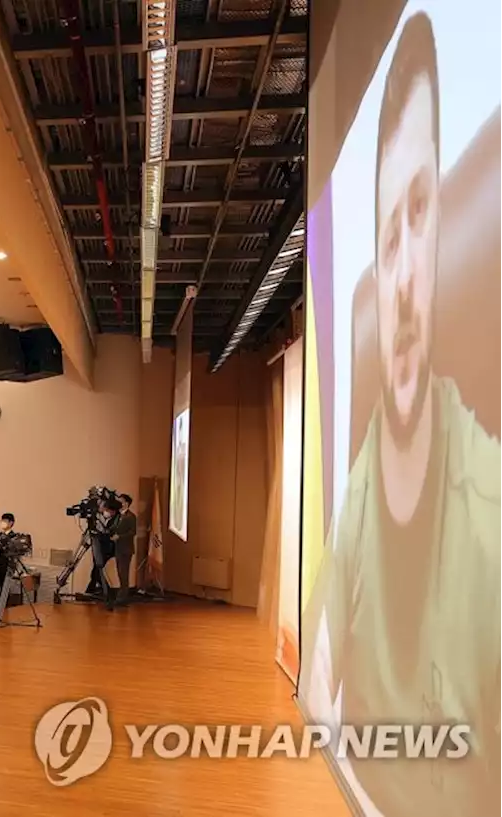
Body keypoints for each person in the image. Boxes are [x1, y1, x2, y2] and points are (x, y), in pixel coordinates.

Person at [301, 16, 502, 814]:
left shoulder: (489, 510)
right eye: (388, 233)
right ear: (380, 276)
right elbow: (317, 685)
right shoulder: (356, 494)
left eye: (423, 212)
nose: (409, 267)